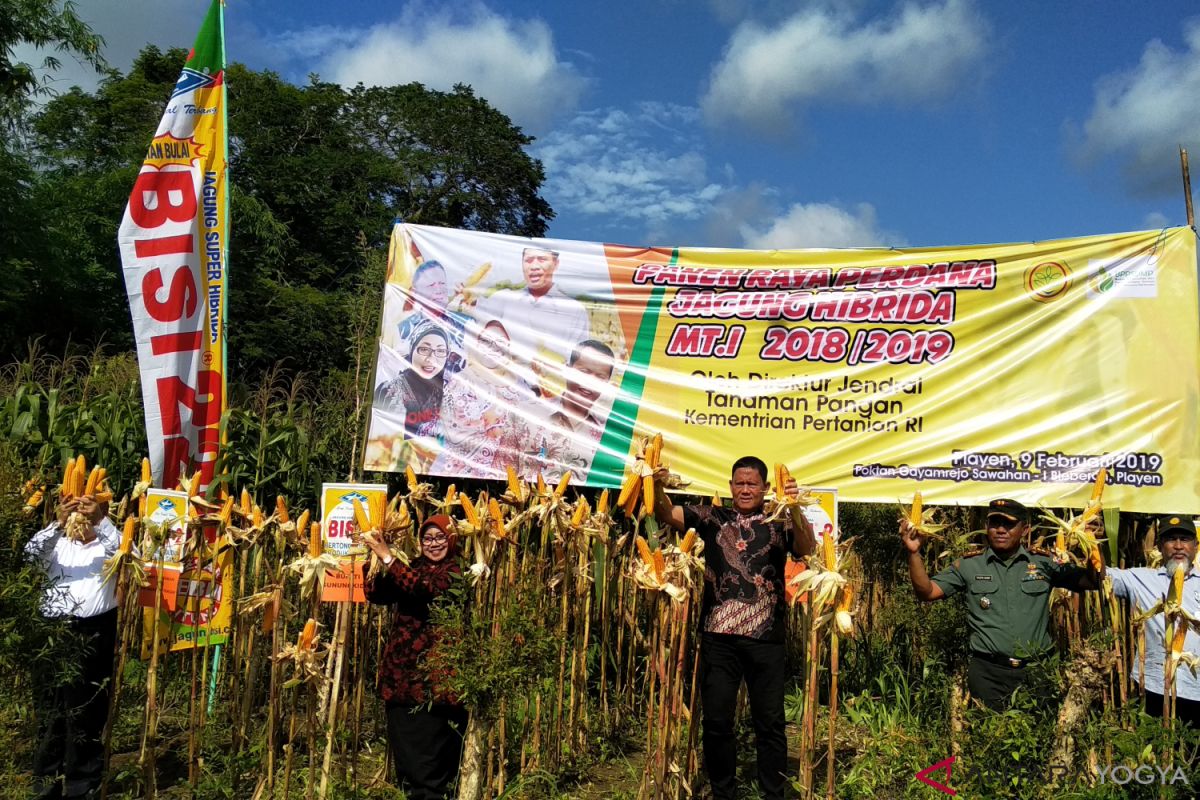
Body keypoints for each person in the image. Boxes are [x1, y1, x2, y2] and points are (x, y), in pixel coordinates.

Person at [651, 456, 816, 800]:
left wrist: (796, 507)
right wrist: (651, 479)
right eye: (739, 483)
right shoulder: (712, 517)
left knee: (769, 724)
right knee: (716, 722)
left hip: (766, 639)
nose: (744, 490)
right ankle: (723, 792)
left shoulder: (779, 522)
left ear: (765, 488)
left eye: (752, 484)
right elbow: (666, 513)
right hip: (718, 639)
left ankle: (774, 793)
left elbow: (807, 548)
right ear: (730, 487)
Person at [901, 498, 1102, 709]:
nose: (1000, 529)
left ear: (1025, 529)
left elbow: (1093, 580)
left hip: (1038, 671)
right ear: (986, 526)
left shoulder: (1043, 563)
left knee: (1038, 738)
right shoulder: (970, 565)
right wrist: (914, 553)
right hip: (988, 674)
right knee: (988, 737)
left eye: (1008, 524)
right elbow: (927, 591)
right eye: (994, 523)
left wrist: (1092, 543)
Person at [24, 495, 120, 799]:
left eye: (85, 513)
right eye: (76, 512)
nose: (80, 518)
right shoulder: (58, 544)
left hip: (92, 632)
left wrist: (100, 520)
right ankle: (45, 783)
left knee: (88, 711)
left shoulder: (109, 546)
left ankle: (83, 785)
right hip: (53, 634)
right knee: (51, 711)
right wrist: (58, 523)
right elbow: (29, 556)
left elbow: (126, 551)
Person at [363, 515, 465, 800]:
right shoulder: (413, 566)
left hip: (433, 680)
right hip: (400, 676)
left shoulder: (455, 571)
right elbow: (377, 594)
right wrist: (370, 558)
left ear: (452, 539)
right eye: (427, 538)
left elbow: (422, 590)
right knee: (406, 750)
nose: (433, 544)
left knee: (428, 753)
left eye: (440, 537)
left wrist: (387, 558)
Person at [1106, 515, 1200, 726]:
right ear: (1159, 546)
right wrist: (1091, 543)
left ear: (1196, 546)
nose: (1178, 546)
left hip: (1197, 690)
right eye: (1170, 539)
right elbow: (1099, 575)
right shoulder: (1140, 579)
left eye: (1184, 539)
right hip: (1153, 688)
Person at [430, 318, 530, 480]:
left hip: (508, 477)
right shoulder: (462, 380)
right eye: (486, 341)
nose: (493, 348)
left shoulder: (519, 386)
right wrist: (491, 425)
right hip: (459, 473)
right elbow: (449, 427)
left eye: (500, 342)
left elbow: (530, 426)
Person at [520, 339, 615, 482]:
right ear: (567, 370)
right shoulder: (526, 415)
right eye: (584, 372)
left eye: (600, 377)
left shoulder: (608, 437)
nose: (591, 381)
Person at [485, 247, 591, 372]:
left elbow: (578, 359)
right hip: (503, 382)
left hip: (549, 386)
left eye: (542, 259)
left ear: (556, 264)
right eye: (528, 260)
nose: (534, 266)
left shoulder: (574, 310)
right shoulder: (504, 299)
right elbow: (475, 324)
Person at [375, 323, 450, 443]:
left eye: (441, 351)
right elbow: (381, 439)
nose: (431, 359)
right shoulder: (390, 390)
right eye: (424, 349)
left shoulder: (446, 390)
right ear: (412, 350)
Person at [397, 260, 467, 378]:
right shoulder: (403, 330)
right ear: (415, 292)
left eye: (442, 284)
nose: (439, 290)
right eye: (431, 285)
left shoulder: (466, 324)